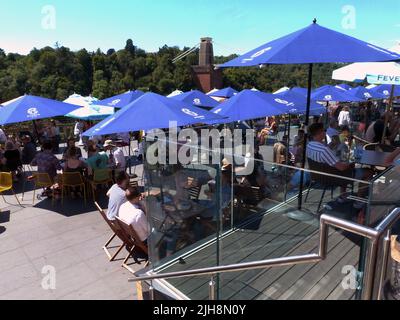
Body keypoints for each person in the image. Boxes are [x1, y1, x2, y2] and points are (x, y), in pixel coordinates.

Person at [307, 123, 373, 208]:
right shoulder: (324, 150)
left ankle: (343, 196)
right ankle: (359, 201)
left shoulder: (309, 145)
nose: (325, 132)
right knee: (369, 172)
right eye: (324, 130)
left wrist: (331, 147)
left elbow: (326, 160)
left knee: (343, 165)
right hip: (333, 177)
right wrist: (352, 162)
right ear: (320, 132)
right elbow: (341, 168)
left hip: (318, 176)